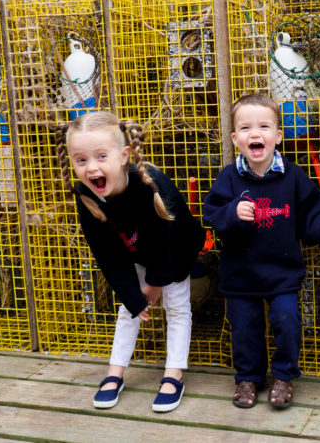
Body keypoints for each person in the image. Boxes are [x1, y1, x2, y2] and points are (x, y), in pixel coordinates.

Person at [203, 93, 320, 410]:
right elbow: (211, 215)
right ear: (235, 138)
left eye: (265, 126)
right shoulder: (229, 177)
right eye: (246, 128)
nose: (256, 134)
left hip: (281, 273)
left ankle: (283, 376)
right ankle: (249, 378)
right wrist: (231, 214)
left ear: (278, 136)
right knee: (245, 329)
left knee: (287, 320)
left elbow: (311, 215)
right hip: (240, 275)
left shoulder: (293, 177)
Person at [55, 111, 204, 413]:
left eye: (100, 156)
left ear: (123, 155)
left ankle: (173, 374)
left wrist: (155, 283)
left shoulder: (151, 184)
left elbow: (176, 236)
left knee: (177, 308)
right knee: (129, 309)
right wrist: (135, 297)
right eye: (81, 160)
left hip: (177, 251)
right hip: (136, 254)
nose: (91, 167)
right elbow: (106, 254)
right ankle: (115, 373)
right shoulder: (85, 195)